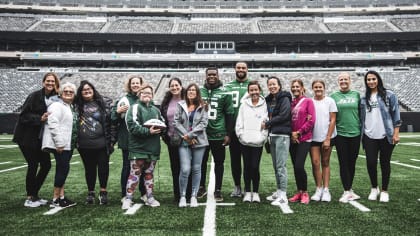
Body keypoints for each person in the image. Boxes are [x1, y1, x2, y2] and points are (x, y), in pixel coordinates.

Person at [13, 72, 60, 208]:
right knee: (33, 165)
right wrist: (39, 118)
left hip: (40, 138)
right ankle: (30, 197)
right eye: (48, 81)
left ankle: (34, 195)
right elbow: (23, 116)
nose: (50, 83)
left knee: (46, 165)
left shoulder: (54, 98)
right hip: (26, 137)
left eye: (53, 81)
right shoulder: (34, 96)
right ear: (43, 82)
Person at [360, 70, 401, 203]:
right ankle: (374, 188)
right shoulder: (363, 98)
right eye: (368, 80)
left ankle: (384, 190)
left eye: (373, 79)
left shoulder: (389, 95)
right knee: (371, 163)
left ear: (378, 80)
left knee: (385, 163)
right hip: (369, 135)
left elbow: (396, 116)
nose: (371, 82)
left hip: (386, 135)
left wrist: (396, 133)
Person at [122, 84, 164, 209]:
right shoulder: (134, 107)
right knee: (134, 174)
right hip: (138, 148)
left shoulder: (156, 110)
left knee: (149, 174)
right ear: (139, 94)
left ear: (152, 95)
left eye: (149, 93)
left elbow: (163, 124)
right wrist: (148, 132)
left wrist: (162, 129)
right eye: (144, 92)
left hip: (152, 148)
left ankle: (149, 197)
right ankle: (128, 199)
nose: (147, 95)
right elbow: (131, 126)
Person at [75, 80, 116, 205]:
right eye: (84, 90)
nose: (87, 91)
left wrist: (112, 141)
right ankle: (91, 192)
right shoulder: (76, 105)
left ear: (93, 90)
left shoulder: (103, 103)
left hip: (102, 143)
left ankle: (103, 192)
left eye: (89, 89)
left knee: (103, 168)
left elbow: (111, 124)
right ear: (80, 93)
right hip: (84, 144)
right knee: (89, 169)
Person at [199, 67, 234, 202]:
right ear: (206, 76)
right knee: (201, 162)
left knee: (219, 163)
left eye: (214, 74)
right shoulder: (199, 91)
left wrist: (228, 134)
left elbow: (229, 114)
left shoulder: (225, 92)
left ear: (218, 76)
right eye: (209, 74)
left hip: (218, 133)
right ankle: (201, 187)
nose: (211, 76)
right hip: (202, 133)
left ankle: (218, 189)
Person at [42, 82, 78, 208]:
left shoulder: (69, 106)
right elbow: (52, 123)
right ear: (60, 93)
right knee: (63, 169)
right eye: (65, 91)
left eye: (71, 92)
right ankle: (56, 199)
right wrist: (59, 143)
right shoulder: (57, 105)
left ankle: (61, 197)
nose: (68, 93)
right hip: (61, 144)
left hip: (68, 143)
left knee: (63, 169)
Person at [111, 75, 146, 201]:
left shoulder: (144, 98)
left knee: (143, 166)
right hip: (127, 139)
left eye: (138, 83)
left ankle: (144, 193)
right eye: (133, 83)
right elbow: (112, 119)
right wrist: (117, 112)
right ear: (129, 85)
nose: (135, 85)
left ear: (141, 84)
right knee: (127, 166)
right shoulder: (124, 100)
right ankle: (125, 194)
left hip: (142, 139)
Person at [174, 83, 209, 207]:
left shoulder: (203, 106)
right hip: (184, 141)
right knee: (185, 169)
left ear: (197, 92)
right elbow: (176, 122)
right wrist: (187, 136)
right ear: (186, 92)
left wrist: (191, 135)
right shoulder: (180, 105)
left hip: (199, 141)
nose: (191, 92)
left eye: (194, 90)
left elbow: (203, 124)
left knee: (196, 168)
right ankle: (183, 196)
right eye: (189, 90)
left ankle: (193, 196)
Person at [330, 72, 362, 203]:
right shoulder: (334, 96)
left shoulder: (357, 95)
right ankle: (346, 190)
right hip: (341, 134)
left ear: (350, 80)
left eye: (345, 79)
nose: (343, 81)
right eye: (341, 79)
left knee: (352, 162)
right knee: (343, 162)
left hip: (355, 133)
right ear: (338, 82)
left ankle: (350, 188)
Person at [235, 81, 268, 203]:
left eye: (256, 89)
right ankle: (247, 192)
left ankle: (256, 192)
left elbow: (267, 123)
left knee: (255, 166)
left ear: (259, 90)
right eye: (251, 90)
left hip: (258, 143)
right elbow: (239, 122)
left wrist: (262, 137)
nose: (254, 92)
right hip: (245, 142)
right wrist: (241, 136)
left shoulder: (265, 105)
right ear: (248, 92)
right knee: (247, 167)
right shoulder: (244, 105)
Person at [263, 76, 292, 206]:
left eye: (274, 84)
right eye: (270, 85)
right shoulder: (269, 100)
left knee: (281, 166)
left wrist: (268, 123)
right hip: (273, 135)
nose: (272, 87)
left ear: (279, 85)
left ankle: (283, 194)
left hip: (282, 135)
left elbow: (284, 115)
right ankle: (279, 190)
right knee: (276, 166)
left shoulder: (284, 98)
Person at [225, 61, 250, 198]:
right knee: (235, 161)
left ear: (247, 69)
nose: (241, 69)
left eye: (243, 67)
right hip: (233, 130)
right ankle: (237, 186)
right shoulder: (228, 87)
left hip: (248, 130)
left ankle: (247, 186)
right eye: (238, 67)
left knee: (248, 161)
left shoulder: (253, 86)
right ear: (235, 69)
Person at [309, 80, 337, 202]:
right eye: (316, 87)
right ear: (312, 89)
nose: (318, 89)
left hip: (327, 137)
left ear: (324, 88)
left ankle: (326, 190)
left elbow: (333, 119)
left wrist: (328, 138)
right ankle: (318, 188)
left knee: (325, 162)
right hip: (313, 136)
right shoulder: (310, 101)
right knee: (315, 163)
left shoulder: (330, 101)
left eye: (320, 87)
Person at [288, 79, 315, 205]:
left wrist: (298, 132)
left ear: (302, 88)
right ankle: (299, 191)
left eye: (297, 86)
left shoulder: (308, 101)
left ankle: (305, 192)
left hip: (304, 138)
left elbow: (311, 120)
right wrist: (291, 134)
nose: (295, 89)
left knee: (299, 165)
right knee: (295, 167)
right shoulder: (291, 103)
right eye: (293, 87)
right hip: (292, 139)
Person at [160, 77, 187, 202]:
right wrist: (165, 136)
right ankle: (177, 193)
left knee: (186, 168)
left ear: (181, 86)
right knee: (175, 168)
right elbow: (162, 120)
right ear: (169, 88)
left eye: (177, 85)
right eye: (172, 86)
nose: (175, 88)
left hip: (187, 139)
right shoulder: (166, 102)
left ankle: (187, 193)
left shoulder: (188, 99)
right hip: (172, 140)